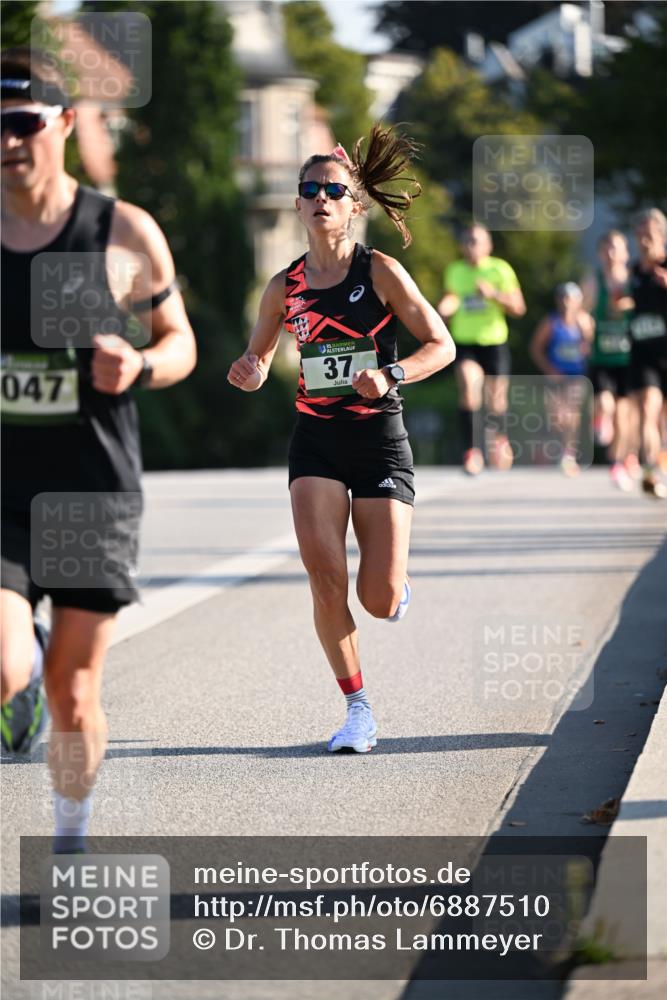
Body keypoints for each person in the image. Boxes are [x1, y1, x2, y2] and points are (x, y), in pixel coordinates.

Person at [1, 49, 197, 850]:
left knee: (75, 692)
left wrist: (142, 364)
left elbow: (180, 342)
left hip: (91, 489)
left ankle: (71, 830)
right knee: (5, 664)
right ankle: (22, 675)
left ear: (65, 124)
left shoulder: (120, 232)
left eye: (22, 124)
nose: (7, 142)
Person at [227, 125, 455, 753]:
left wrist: (391, 374)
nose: (321, 197)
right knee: (324, 577)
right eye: (310, 189)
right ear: (298, 205)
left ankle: (395, 585)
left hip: (379, 439)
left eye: (333, 188)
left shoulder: (380, 272)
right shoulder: (284, 287)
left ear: (354, 203)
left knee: (376, 598)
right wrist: (246, 373)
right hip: (317, 442)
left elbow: (443, 344)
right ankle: (357, 709)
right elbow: (256, 360)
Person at [437, 224, 526, 475]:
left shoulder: (499, 269)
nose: (471, 246)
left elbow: (519, 308)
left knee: (496, 399)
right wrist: (444, 307)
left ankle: (499, 439)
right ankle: (472, 451)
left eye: (476, 241)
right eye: (467, 241)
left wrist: (493, 294)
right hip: (465, 341)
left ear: (488, 246)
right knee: (468, 387)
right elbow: (452, 297)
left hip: (494, 341)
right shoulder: (456, 270)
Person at [581, 231, 638, 491]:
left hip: (628, 357)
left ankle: (616, 464)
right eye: (607, 249)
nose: (612, 254)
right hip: (601, 355)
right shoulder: (594, 281)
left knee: (623, 417)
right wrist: (586, 329)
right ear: (601, 253)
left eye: (617, 248)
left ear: (626, 253)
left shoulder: (633, 281)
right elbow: (580, 312)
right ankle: (598, 420)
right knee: (605, 403)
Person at [529, 282, 593, 477]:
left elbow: (592, 347)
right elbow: (535, 348)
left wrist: (587, 340)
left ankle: (568, 454)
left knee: (571, 414)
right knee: (557, 416)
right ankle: (561, 447)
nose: (566, 303)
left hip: (576, 376)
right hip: (556, 376)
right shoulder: (551, 322)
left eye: (571, 298)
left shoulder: (584, 321)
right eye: (563, 298)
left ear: (578, 301)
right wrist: (549, 369)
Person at [628, 208, 667, 499]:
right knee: (647, 409)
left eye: (650, 234)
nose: (644, 240)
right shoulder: (631, 273)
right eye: (640, 234)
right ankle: (652, 470)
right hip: (643, 353)